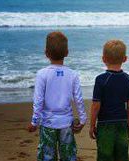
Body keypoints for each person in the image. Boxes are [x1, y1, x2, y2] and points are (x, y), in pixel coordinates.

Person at [27, 31, 87, 161]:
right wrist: (82, 119)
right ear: (67, 53)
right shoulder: (73, 74)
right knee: (68, 156)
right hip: (66, 123)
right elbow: (78, 99)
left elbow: (38, 100)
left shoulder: (42, 74)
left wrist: (34, 121)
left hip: (48, 123)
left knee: (47, 156)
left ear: (46, 53)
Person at [90, 39, 129, 161]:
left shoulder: (101, 80)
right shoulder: (128, 79)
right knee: (122, 155)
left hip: (105, 124)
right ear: (125, 59)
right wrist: (127, 122)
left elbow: (96, 105)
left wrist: (92, 125)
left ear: (103, 59)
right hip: (122, 123)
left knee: (105, 155)